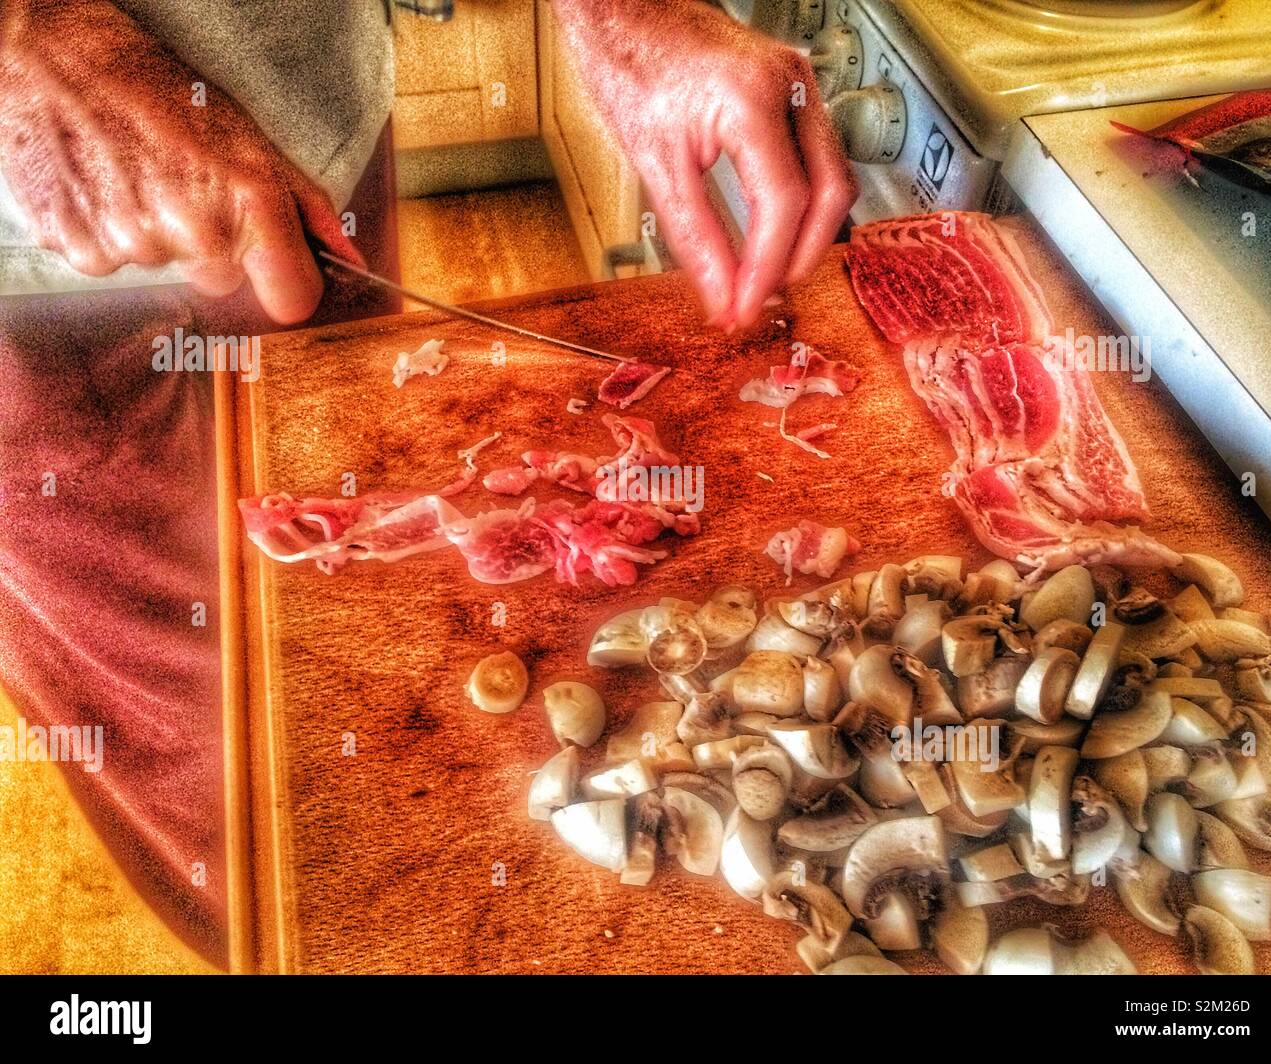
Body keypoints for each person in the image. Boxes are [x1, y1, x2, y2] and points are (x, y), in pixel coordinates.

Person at [0, 0, 853, 968]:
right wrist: (21, 45)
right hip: (27, 292)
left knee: (390, 656)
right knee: (243, 784)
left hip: (311, 136)